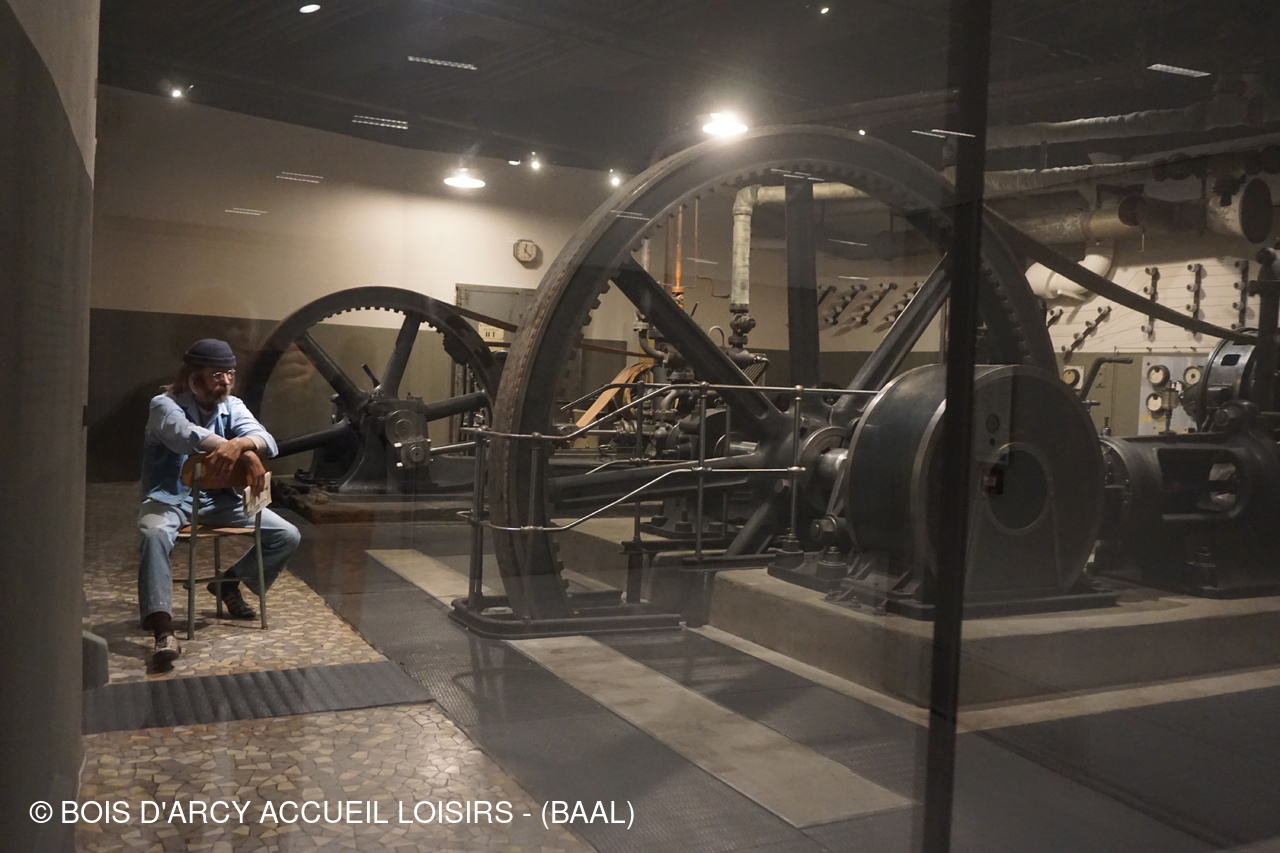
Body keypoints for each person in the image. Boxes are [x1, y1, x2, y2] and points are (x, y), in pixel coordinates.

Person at [137, 339, 301, 666]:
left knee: (287, 535)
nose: (225, 381)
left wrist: (244, 446)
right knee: (153, 534)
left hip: (219, 500)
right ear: (192, 375)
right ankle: (162, 626)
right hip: (170, 498)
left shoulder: (232, 405)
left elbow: (266, 440)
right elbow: (185, 435)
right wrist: (242, 451)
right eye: (217, 374)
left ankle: (227, 583)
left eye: (230, 374)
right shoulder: (163, 405)